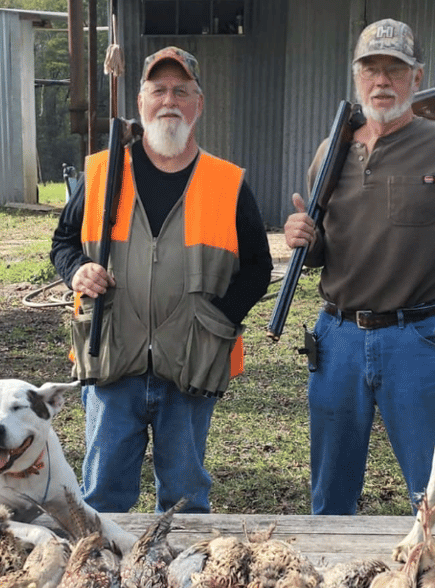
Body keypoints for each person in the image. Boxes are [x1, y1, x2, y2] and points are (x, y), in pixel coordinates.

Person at [284, 18, 435, 517]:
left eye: (394, 71)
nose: (381, 82)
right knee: (331, 494)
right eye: (370, 70)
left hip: (420, 339)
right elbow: (321, 253)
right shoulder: (331, 153)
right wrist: (303, 237)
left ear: (417, 78)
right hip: (337, 340)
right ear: (356, 77)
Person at [51, 46, 273, 514]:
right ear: (141, 101)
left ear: (199, 103)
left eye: (181, 91)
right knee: (104, 496)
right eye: (158, 90)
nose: (169, 100)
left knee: (185, 500)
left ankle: (181, 583)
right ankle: (101, 580)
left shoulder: (226, 182)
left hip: (190, 364)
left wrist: (216, 320)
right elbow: (63, 244)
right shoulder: (102, 172)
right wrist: (77, 271)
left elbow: (258, 267)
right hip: (111, 358)